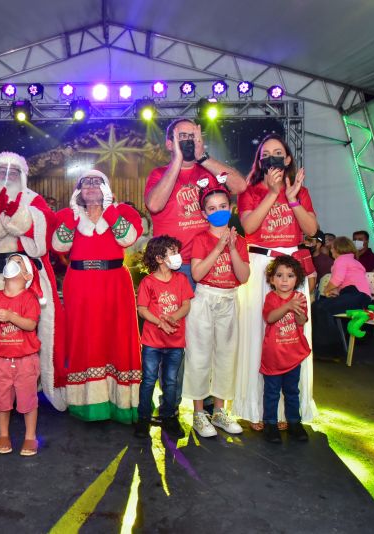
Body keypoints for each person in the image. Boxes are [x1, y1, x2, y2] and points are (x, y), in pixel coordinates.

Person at [0, 151, 66, 426]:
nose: (8, 176)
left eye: (14, 172)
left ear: (24, 176)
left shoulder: (34, 201)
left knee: (29, 338)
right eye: (2, 171)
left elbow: (47, 234)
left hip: (28, 286)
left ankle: (29, 390)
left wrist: (17, 213)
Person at [235, 133, 319, 430]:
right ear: (260, 160)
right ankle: (257, 408)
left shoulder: (300, 190)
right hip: (260, 265)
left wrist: (292, 198)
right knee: (258, 334)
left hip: (291, 267)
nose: (272, 157)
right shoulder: (250, 192)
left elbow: (310, 229)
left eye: (278, 152)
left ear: (287, 159)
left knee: (291, 335)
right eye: (265, 153)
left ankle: (289, 411)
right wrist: (272, 192)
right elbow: (248, 227)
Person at [52, 169, 142, 423]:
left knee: (118, 338)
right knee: (83, 338)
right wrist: (73, 216)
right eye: (85, 182)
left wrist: (109, 208)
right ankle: (86, 403)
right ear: (77, 190)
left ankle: (120, 403)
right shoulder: (68, 215)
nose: (91, 186)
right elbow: (58, 245)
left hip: (114, 283)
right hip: (79, 284)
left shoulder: (123, 211)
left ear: (107, 188)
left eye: (97, 182)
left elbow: (128, 238)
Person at [144, 118, 247, 287]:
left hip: (210, 258)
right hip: (174, 263)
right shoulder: (159, 174)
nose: (188, 141)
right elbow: (154, 205)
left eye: (192, 136)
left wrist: (203, 157)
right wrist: (178, 160)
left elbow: (240, 186)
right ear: (170, 144)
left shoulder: (210, 171)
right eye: (182, 136)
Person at [185, 182, 250, 437]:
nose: (218, 211)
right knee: (199, 355)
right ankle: (199, 413)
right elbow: (198, 274)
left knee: (226, 355)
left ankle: (220, 411)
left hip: (229, 299)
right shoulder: (200, 239)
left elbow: (243, 276)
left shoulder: (240, 241)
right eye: (212, 208)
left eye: (223, 206)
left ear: (231, 207)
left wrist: (232, 247)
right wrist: (219, 247)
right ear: (204, 213)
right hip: (205, 299)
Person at [134, 235, 193, 439]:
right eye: (173, 252)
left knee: (171, 381)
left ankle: (169, 417)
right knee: (148, 380)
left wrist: (173, 318)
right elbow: (142, 309)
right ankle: (143, 419)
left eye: (177, 251)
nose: (178, 256)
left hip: (175, 342)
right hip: (152, 342)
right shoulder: (148, 282)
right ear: (159, 258)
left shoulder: (182, 280)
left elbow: (186, 304)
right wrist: (161, 322)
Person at [0, 254, 44, 456]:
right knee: (2, 401)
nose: (12, 263)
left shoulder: (30, 299)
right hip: (2, 360)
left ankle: (30, 437)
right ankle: (3, 434)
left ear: (27, 275)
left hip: (26, 360)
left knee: (28, 401)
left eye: (18, 262)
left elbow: (31, 324)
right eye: (11, 260)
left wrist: (10, 316)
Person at [260, 256, 311, 443]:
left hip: (292, 356)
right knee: (272, 392)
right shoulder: (271, 298)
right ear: (272, 279)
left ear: (296, 279)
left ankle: (294, 423)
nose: (284, 280)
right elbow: (271, 317)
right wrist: (288, 306)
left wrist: (296, 310)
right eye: (279, 275)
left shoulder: (300, 298)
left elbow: (301, 322)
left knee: (292, 391)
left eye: (290, 276)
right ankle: (270, 424)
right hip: (273, 356)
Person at [312, 237, 372, 351]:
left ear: (336, 249)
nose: (331, 251)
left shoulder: (341, 260)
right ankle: (328, 347)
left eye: (332, 248)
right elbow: (345, 282)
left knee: (320, 307)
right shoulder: (353, 261)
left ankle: (330, 349)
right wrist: (335, 291)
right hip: (359, 296)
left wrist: (326, 291)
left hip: (356, 295)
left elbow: (337, 280)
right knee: (318, 306)